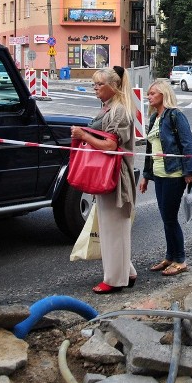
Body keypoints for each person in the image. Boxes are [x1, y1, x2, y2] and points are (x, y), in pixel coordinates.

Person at [70, 66, 137, 294]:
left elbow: (111, 146)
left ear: (113, 86)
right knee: (113, 229)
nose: (95, 89)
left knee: (113, 231)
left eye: (99, 84)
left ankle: (114, 280)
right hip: (108, 176)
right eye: (94, 84)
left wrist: (84, 135)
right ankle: (126, 273)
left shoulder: (119, 110)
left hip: (116, 178)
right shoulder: (111, 107)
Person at [138, 80, 192, 277]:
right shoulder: (155, 118)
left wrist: (189, 171)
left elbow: (187, 144)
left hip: (174, 174)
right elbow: (150, 149)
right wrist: (146, 176)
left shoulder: (175, 115)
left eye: (152, 93)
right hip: (159, 175)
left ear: (163, 94)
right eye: (148, 93)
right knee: (165, 217)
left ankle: (180, 260)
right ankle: (170, 257)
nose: (149, 96)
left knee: (170, 218)